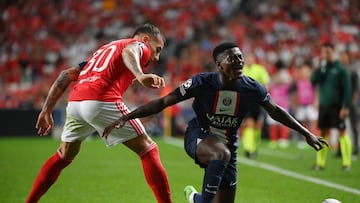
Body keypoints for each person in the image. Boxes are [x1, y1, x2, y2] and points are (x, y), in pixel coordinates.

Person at [103, 42, 328, 203]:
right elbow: (163, 102)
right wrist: (127, 116)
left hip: (230, 145)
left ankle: (194, 197)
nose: (240, 60)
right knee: (221, 153)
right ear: (220, 65)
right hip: (198, 136)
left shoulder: (252, 87)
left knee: (224, 168)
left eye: (241, 57)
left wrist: (306, 132)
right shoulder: (202, 82)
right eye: (233, 57)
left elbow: (276, 111)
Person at [26, 23, 172, 203]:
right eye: (157, 49)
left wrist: (46, 109)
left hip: (76, 103)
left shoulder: (103, 51)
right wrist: (140, 75)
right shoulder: (138, 45)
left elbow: (66, 74)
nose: (156, 57)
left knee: (64, 154)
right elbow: (130, 51)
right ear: (146, 39)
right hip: (101, 100)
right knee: (149, 150)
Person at [311, 43, 353, 171]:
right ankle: (320, 163)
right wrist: (318, 68)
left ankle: (347, 163)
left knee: (342, 132)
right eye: (323, 53)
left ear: (333, 52)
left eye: (327, 52)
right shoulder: (323, 68)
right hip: (324, 105)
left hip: (337, 106)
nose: (325, 55)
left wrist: (345, 107)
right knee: (323, 132)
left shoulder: (340, 69)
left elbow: (348, 89)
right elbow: (313, 81)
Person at [241, 52, 270, 157]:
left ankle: (254, 146)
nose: (249, 59)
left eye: (250, 57)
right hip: (245, 101)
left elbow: (266, 84)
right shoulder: (241, 70)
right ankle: (249, 149)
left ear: (254, 58)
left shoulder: (260, 69)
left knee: (257, 126)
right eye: (247, 58)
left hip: (257, 101)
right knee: (249, 123)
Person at [339, 51, 359, 160]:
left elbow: (356, 87)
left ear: (347, 57)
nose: (342, 58)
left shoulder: (352, 70)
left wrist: (354, 101)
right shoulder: (339, 70)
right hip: (340, 101)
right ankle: (340, 150)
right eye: (341, 57)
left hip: (350, 101)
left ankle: (356, 148)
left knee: (353, 125)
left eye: (343, 56)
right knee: (340, 125)